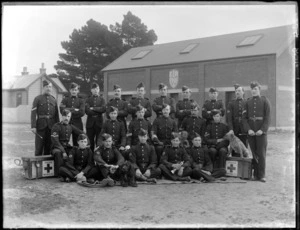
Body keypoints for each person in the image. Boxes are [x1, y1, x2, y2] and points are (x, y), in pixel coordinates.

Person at [242, 81, 271, 183]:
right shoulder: (247, 102)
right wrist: (248, 129)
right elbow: (244, 118)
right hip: (251, 132)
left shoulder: (264, 101)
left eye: (255, 89)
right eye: (252, 89)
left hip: (260, 132)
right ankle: (255, 174)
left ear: (259, 90)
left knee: (261, 154)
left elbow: (267, 118)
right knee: (254, 153)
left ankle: (262, 175)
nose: (253, 91)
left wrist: (262, 130)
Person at [51, 109, 85, 175]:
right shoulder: (56, 126)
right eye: (65, 116)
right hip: (56, 147)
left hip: (66, 146)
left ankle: (75, 170)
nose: (67, 118)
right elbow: (55, 141)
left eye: (68, 116)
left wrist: (86, 141)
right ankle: (59, 173)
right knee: (58, 153)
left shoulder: (70, 126)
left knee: (76, 151)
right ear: (62, 116)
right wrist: (63, 151)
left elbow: (81, 133)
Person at [31, 80, 59, 156]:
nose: (48, 88)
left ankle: (47, 165)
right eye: (47, 87)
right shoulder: (37, 99)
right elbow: (33, 113)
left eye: (50, 87)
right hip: (40, 126)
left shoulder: (53, 99)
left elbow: (56, 115)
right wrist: (33, 126)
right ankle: (37, 165)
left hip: (51, 126)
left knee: (49, 146)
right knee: (39, 147)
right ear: (43, 88)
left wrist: (57, 127)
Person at [85, 82, 106, 152]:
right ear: (91, 90)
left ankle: (98, 160)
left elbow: (103, 109)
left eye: (97, 88)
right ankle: (90, 160)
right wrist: (98, 109)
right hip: (90, 123)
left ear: (99, 89)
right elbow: (87, 111)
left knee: (99, 142)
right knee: (90, 142)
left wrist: (93, 108)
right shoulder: (88, 100)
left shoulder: (102, 99)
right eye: (93, 89)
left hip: (99, 123)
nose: (95, 90)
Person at [227, 84, 248, 151]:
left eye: (239, 91)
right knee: (234, 147)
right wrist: (231, 129)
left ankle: (244, 161)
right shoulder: (231, 103)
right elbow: (229, 118)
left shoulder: (246, 102)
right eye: (236, 91)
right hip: (234, 129)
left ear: (243, 92)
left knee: (244, 147)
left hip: (244, 129)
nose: (237, 92)